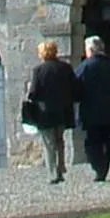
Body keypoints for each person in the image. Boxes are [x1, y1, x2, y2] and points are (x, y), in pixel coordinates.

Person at [23, 40, 77, 184]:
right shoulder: (66, 68)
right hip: (63, 110)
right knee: (60, 140)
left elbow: (34, 92)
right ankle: (61, 167)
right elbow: (74, 88)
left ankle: (53, 173)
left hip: (45, 112)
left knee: (49, 143)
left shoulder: (38, 70)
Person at [75, 35, 110, 183]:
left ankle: (98, 167)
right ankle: (104, 169)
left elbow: (76, 87)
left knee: (92, 142)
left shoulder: (84, 67)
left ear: (90, 50)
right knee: (107, 140)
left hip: (91, 111)